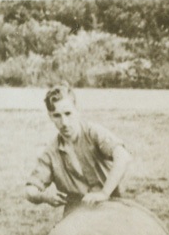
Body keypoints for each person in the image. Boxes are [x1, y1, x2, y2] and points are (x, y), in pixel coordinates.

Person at [25, 83, 132, 213]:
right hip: (77, 215)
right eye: (57, 115)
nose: (64, 122)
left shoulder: (93, 132)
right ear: (50, 116)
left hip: (111, 205)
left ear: (77, 109)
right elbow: (29, 190)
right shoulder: (51, 153)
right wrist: (43, 196)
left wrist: (104, 193)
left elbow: (123, 157)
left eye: (68, 113)